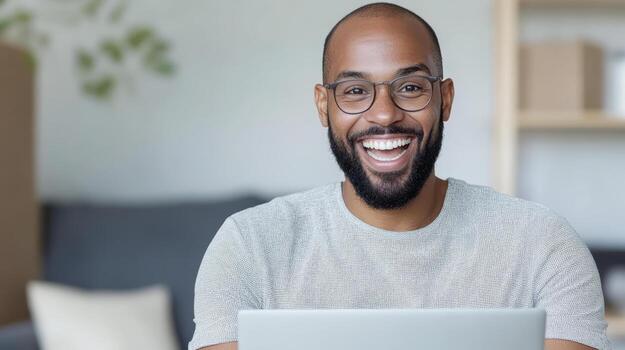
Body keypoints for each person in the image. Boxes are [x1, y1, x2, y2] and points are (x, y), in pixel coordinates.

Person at [188, 3, 610, 350]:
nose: (385, 113)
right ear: (323, 106)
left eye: (409, 87)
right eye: (355, 91)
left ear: (444, 99)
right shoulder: (248, 246)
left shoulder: (543, 246)